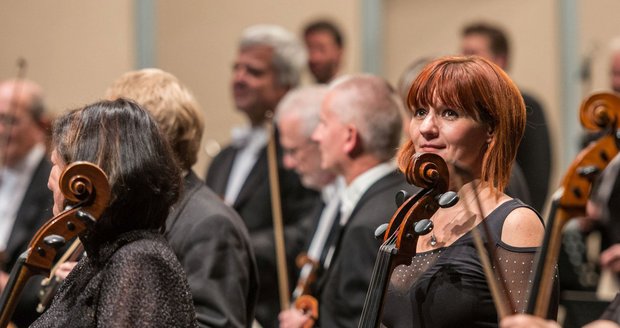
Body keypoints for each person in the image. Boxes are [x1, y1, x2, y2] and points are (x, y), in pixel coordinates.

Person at [380, 55, 551, 327]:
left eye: (449, 113)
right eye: (420, 112)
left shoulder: (515, 224)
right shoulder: (413, 215)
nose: (426, 128)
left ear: (491, 129)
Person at [105, 68, 258, 328]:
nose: (106, 146)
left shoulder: (210, 225)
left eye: (115, 134)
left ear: (147, 140)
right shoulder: (143, 210)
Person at [30, 99, 197, 327]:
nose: (50, 182)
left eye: (57, 165)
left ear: (87, 180)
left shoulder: (139, 262)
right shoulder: (98, 258)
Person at [279, 74, 418, 328]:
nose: (317, 136)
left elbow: (355, 322)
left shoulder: (366, 226)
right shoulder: (395, 193)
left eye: (323, 124)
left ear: (349, 137)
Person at [205, 24, 319, 327]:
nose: (239, 78)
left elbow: (309, 227)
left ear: (286, 85)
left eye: (253, 72)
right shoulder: (223, 157)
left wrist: (235, 246)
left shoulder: (299, 153)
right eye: (236, 68)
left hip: (270, 309)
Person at [461, 22, 551, 213]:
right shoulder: (463, 108)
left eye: (472, 53)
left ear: (499, 61)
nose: (463, 61)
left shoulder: (528, 107)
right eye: (462, 53)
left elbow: (538, 179)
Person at [273, 86, 343, 312]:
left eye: (293, 151)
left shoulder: (350, 203)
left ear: (319, 139)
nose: (288, 163)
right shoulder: (326, 197)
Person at [0, 79, 53, 327]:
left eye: (9, 120)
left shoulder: (54, 187)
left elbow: (42, 292)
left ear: (41, 125)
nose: (0, 129)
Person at [303, 19, 344, 84]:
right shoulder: (301, 93)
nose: (314, 58)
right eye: (309, 49)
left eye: (321, 49)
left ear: (339, 51)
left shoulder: (355, 92)